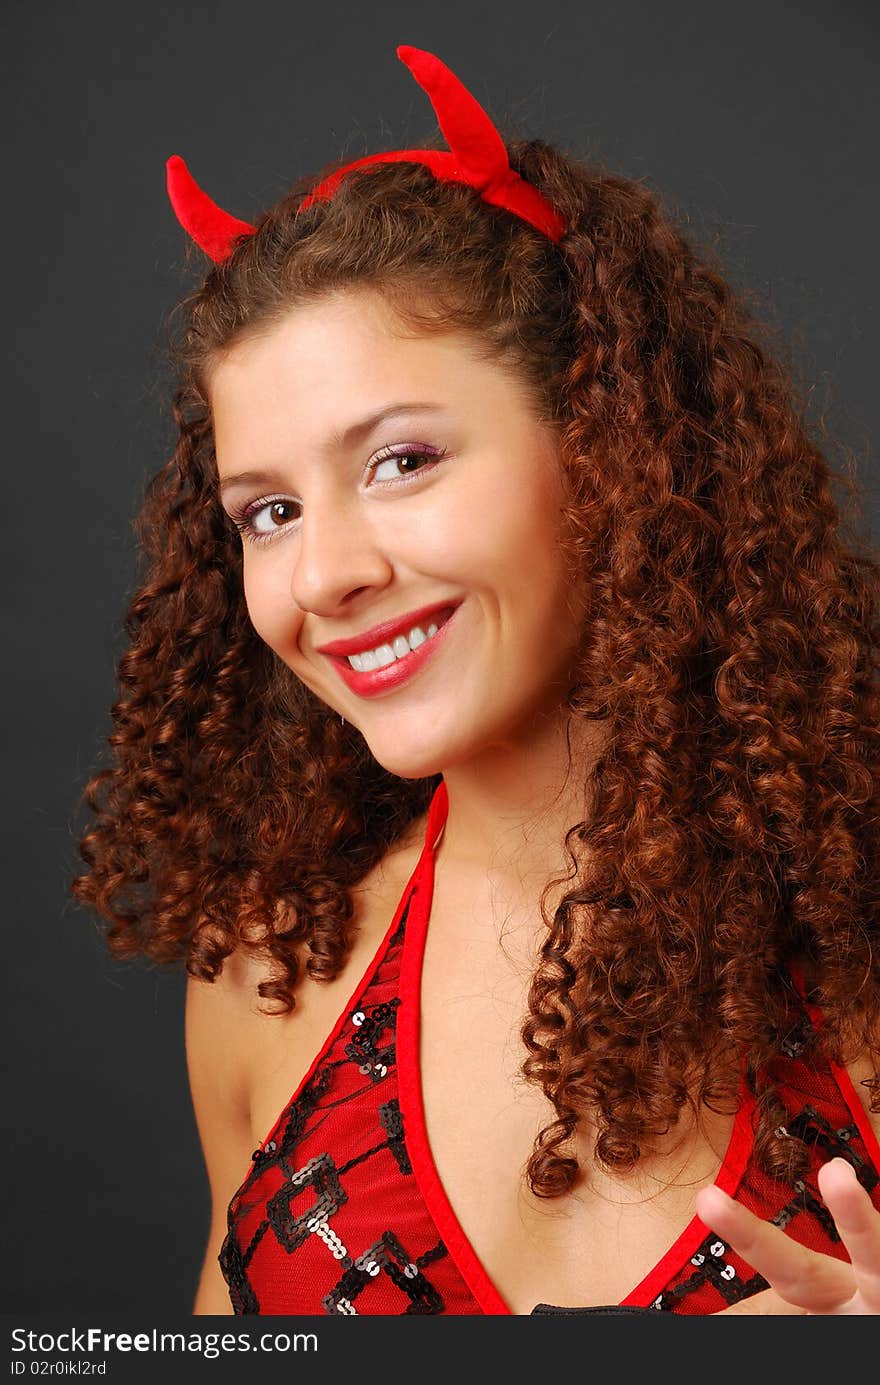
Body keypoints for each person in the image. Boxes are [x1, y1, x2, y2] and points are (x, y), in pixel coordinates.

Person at [72, 45, 880, 1316]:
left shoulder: (856, 930)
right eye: (268, 510)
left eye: (401, 461)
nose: (325, 572)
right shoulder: (271, 971)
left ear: (606, 441)